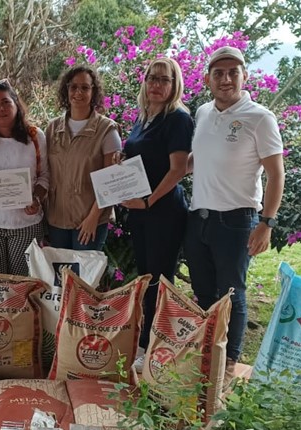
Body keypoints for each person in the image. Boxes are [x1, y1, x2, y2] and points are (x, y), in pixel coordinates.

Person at [182, 46, 285, 384]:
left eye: (232, 72)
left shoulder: (259, 117)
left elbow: (276, 173)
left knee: (232, 294)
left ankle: (228, 363)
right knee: (204, 292)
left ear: (244, 76)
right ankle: (207, 353)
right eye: (218, 73)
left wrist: (266, 222)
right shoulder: (202, 113)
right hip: (199, 217)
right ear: (208, 78)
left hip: (236, 220)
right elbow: (195, 160)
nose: (225, 79)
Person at [120, 57, 194, 354]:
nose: (156, 84)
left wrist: (148, 201)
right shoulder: (144, 117)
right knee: (146, 277)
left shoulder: (178, 118)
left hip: (162, 211)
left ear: (174, 85)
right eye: (152, 78)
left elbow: (178, 169)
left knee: (159, 281)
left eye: (164, 80)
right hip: (140, 212)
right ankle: (146, 342)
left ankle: (153, 349)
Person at [0, 82, 49, 276]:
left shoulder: (35, 137)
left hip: (26, 225)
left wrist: (37, 200)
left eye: (5, 102)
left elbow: (45, 176)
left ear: (16, 103)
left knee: (23, 287)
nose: (0, 109)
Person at [45, 65, 122, 251]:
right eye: (73, 87)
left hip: (89, 222)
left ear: (93, 91)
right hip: (56, 220)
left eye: (85, 88)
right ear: (66, 90)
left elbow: (112, 181)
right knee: (57, 278)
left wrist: (93, 218)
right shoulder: (52, 129)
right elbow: (44, 172)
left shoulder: (107, 130)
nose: (78, 92)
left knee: (84, 279)